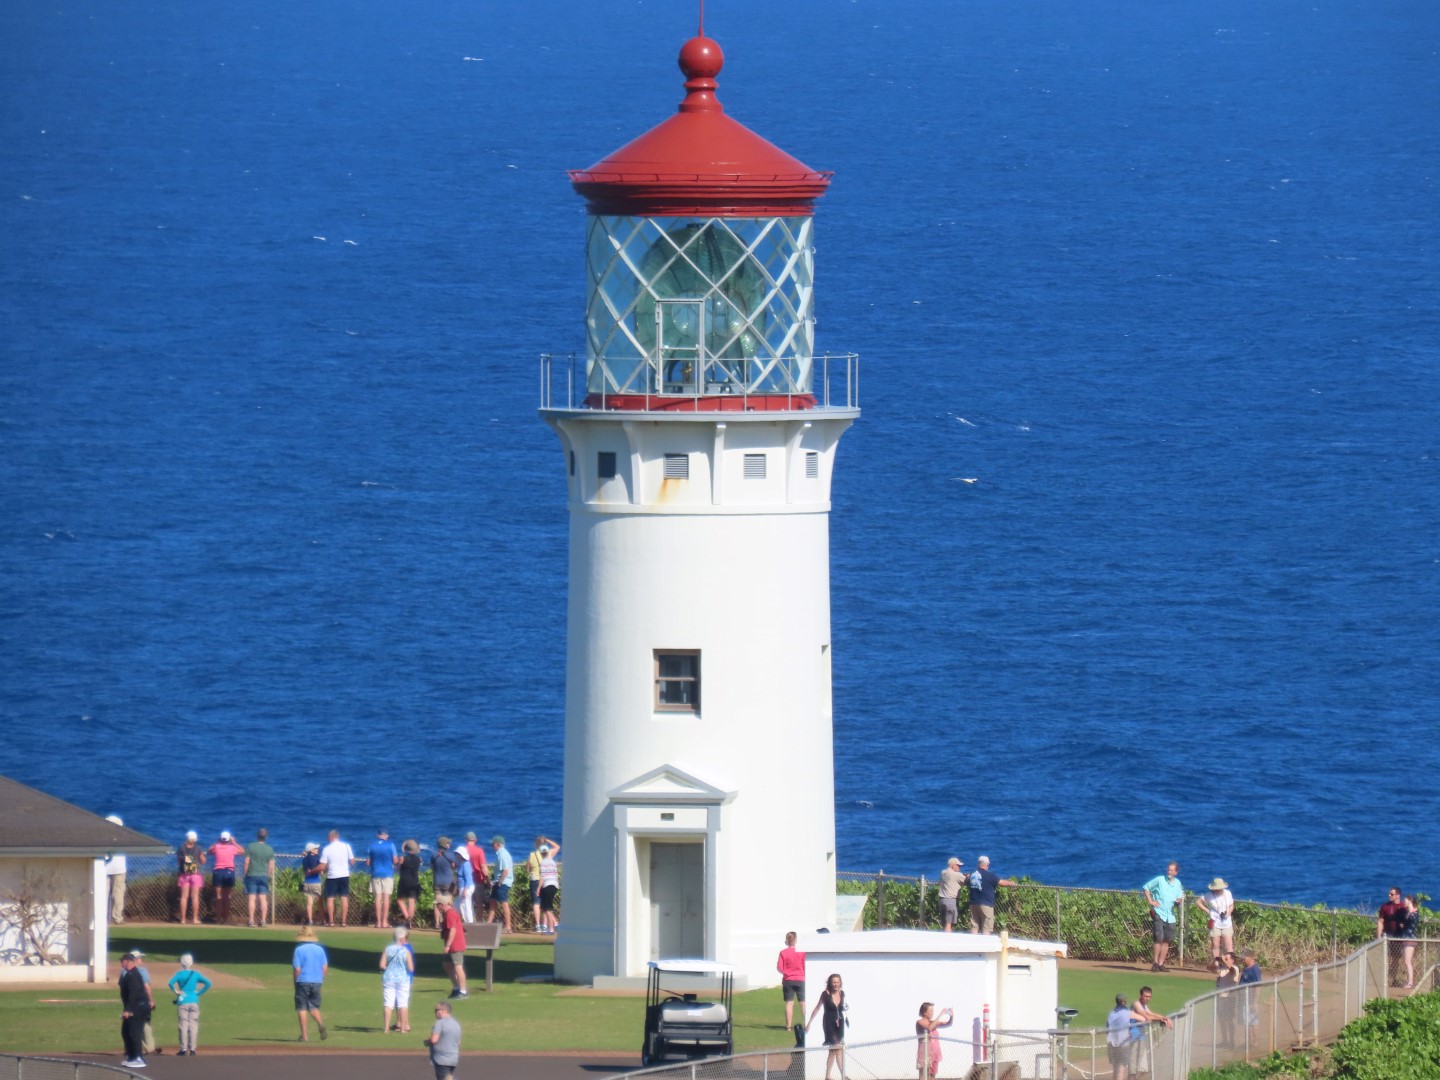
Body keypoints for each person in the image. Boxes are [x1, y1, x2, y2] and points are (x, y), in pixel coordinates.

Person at [166, 952, 212, 1056]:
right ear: (191, 962)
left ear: (182, 963)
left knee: (183, 1025)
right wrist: (199, 993)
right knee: (193, 1025)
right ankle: (192, 1049)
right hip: (194, 1000)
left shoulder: (179, 974)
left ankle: (183, 1049)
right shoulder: (196, 974)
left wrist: (176, 991)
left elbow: (170, 983)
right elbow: (208, 983)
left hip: (183, 1001)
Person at [1142, 862, 1184, 972]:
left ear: (1176, 872)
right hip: (1159, 912)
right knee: (1158, 938)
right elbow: (1146, 888)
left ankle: (1161, 964)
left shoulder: (1178, 883)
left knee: (1166, 940)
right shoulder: (1160, 880)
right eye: (1168, 870)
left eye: (1171, 870)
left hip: (1170, 916)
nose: (1169, 872)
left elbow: (1179, 897)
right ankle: (1155, 963)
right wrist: (1151, 901)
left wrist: (1178, 901)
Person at [805, 972, 847, 1080]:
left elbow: (844, 1008)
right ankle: (843, 1074)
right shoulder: (825, 994)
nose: (835, 984)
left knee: (834, 1051)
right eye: (833, 982)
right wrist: (809, 1023)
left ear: (840, 983)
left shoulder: (842, 994)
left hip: (840, 1024)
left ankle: (827, 1076)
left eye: (837, 982)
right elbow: (817, 1008)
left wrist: (847, 1017)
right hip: (829, 1024)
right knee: (836, 1047)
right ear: (830, 983)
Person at [292, 927, 329, 1041]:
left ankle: (304, 1036)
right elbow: (325, 967)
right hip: (317, 981)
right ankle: (320, 1023)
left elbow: (297, 969)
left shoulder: (299, 950)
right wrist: (320, 978)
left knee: (302, 1008)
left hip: (303, 981)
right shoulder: (320, 950)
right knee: (313, 1007)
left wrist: (295, 981)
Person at [118, 951, 152, 1068]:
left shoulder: (133, 975)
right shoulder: (130, 974)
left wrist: (128, 1009)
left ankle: (138, 1057)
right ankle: (132, 1056)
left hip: (137, 1007)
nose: (121, 965)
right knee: (126, 1031)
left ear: (128, 962)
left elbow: (133, 994)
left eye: (122, 962)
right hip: (134, 1006)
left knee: (134, 1032)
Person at [967, 856, 1017, 935]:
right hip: (986, 904)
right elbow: (1001, 882)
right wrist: (1011, 883)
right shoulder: (989, 875)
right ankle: (986, 944)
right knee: (987, 927)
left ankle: (974, 944)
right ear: (987, 865)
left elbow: (966, 881)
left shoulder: (972, 875)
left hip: (973, 903)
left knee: (974, 926)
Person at [380, 925, 416, 1033]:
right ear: (402, 938)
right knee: (403, 1003)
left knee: (388, 1003)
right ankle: (404, 1027)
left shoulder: (388, 949)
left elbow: (382, 965)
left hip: (389, 978)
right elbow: (411, 968)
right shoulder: (406, 950)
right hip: (402, 979)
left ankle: (386, 1028)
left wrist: (389, 969)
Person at [1194, 877, 1235, 970]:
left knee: (1229, 945)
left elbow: (1232, 905)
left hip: (1226, 922)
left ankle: (1229, 965)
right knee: (1215, 945)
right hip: (1215, 922)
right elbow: (1198, 902)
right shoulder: (1209, 895)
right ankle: (1217, 965)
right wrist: (1208, 911)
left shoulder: (1228, 893)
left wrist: (1228, 913)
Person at [207, 829, 244, 923]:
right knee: (227, 897)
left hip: (218, 871)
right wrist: (234, 842)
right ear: (228, 839)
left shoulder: (217, 847)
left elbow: (209, 851)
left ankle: (218, 918)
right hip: (229, 872)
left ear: (221, 838)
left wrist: (217, 842)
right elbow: (242, 851)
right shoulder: (232, 848)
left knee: (218, 896)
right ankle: (225, 918)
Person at [320, 829, 356, 927]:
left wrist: (325, 869)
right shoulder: (346, 846)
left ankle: (331, 921)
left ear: (331, 837)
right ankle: (343, 921)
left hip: (332, 876)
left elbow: (323, 865)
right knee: (344, 897)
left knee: (330, 898)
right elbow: (352, 861)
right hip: (344, 874)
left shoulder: (327, 849)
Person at [437, 892, 469, 999]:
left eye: (438, 904)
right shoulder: (447, 914)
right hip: (450, 944)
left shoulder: (450, 913)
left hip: (455, 945)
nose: (437, 907)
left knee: (458, 967)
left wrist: (447, 945)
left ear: (442, 904)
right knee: (447, 965)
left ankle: (463, 991)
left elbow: (453, 931)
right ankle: (456, 987)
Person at [244, 827, 276, 928]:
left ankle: (251, 921)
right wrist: (269, 874)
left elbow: (246, 862)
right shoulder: (269, 849)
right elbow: (271, 865)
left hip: (252, 874)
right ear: (266, 837)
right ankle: (263, 920)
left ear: (257, 836)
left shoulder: (250, 847)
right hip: (263, 875)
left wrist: (245, 874)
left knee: (252, 898)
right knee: (263, 899)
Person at [777, 931, 806, 1041]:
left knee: (789, 1003)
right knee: (803, 1003)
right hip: (800, 979)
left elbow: (779, 967)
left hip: (788, 979)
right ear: (796, 940)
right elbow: (805, 965)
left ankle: (788, 1026)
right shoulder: (802, 952)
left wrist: (786, 972)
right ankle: (807, 1023)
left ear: (787, 941)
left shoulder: (783, 953)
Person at [1377, 886, 1409, 987]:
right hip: (1387, 935)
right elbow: (1381, 921)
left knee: (1397, 959)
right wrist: (1379, 936)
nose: (1389, 895)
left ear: (1398, 895)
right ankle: (1383, 979)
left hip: (1399, 936)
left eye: (1392, 894)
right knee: (1385, 958)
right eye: (1389, 894)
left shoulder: (1404, 907)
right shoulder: (1385, 907)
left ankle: (1395, 979)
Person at [368, 828, 400, 929]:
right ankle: (384, 921)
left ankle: (378, 922)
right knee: (386, 897)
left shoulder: (372, 845)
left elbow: (368, 862)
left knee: (378, 897)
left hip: (375, 873)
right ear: (386, 835)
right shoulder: (391, 845)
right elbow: (395, 860)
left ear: (378, 835)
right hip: (388, 873)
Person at [915, 1001, 953, 1078]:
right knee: (923, 1076)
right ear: (924, 1012)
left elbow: (949, 1024)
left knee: (932, 1076)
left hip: (935, 1054)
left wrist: (951, 1015)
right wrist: (941, 1014)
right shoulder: (920, 1022)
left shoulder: (933, 1022)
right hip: (925, 1054)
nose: (933, 1013)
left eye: (933, 1011)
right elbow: (929, 1028)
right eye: (931, 1011)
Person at [427, 999, 462, 1080]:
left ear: (443, 1011)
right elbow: (458, 1042)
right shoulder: (456, 1024)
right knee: (448, 1078)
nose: (435, 1013)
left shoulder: (440, 1023)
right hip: (453, 1059)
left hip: (441, 1060)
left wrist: (427, 1041)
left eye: (436, 1010)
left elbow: (434, 1040)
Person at [176, 830, 206, 925]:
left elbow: (179, 861)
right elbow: (203, 861)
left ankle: (183, 919)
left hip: (184, 874)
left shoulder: (181, 847)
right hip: (195, 874)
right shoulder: (198, 848)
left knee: (184, 897)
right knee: (195, 897)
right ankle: (195, 918)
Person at [432, 837, 461, 927]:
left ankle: (437, 923)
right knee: (448, 903)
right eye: (448, 843)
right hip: (448, 882)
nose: (449, 844)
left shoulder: (434, 855)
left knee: (437, 903)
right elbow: (456, 865)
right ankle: (447, 923)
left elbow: (432, 867)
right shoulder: (450, 855)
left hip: (437, 881)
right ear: (444, 845)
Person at [103, 815, 127, 925]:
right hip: (119, 867)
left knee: (103, 893)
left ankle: (103, 916)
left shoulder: (103, 836)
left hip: (104, 867)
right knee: (118, 893)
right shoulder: (123, 836)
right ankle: (117, 917)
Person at [488, 835, 514, 932]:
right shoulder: (501, 854)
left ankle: (508, 926)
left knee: (504, 903)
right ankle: (488, 924)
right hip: (498, 883)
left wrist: (500, 882)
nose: (492, 846)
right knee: (492, 901)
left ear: (498, 844)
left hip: (502, 883)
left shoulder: (503, 854)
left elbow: (506, 870)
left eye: (493, 844)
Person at [1214, 951, 1240, 1046]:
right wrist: (1215, 960)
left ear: (1232, 960)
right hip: (1220, 996)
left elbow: (1232, 970)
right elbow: (1209, 968)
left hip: (1229, 998)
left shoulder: (1235, 968)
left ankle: (1231, 1041)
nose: (1224, 960)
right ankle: (1225, 1040)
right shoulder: (1222, 968)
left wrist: (1223, 960)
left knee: (1229, 1019)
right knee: (1221, 1019)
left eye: (1227, 958)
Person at [1106, 994, 1134, 1080]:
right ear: (1124, 1002)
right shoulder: (1127, 1013)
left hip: (1112, 1044)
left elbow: (1107, 1028)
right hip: (1123, 1045)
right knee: (1121, 1071)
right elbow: (1143, 1019)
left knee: (1115, 1070)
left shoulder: (1112, 1013)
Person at [537, 840, 561, 933]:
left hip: (547, 885)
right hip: (554, 885)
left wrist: (538, 888)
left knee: (547, 909)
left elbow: (543, 876)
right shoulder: (551, 859)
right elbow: (557, 847)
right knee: (548, 908)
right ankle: (552, 927)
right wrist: (547, 840)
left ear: (541, 853)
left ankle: (551, 929)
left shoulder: (543, 862)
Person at [464, 832, 491, 913]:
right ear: (475, 840)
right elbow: (483, 866)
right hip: (478, 878)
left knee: (467, 902)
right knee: (479, 903)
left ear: (466, 840)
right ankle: (479, 922)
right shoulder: (479, 851)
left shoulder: (463, 850)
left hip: (466, 879)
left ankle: (468, 922)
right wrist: (488, 879)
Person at [397, 839, 423, 925]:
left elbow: (398, 869)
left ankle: (407, 918)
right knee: (411, 901)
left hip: (404, 881)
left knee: (400, 900)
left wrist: (399, 864)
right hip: (414, 881)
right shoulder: (419, 859)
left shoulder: (402, 858)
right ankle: (410, 921)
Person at [300, 842, 324, 925]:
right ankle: (322, 920)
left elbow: (305, 871)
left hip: (307, 882)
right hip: (316, 882)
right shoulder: (317, 858)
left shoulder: (305, 859)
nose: (317, 850)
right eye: (315, 848)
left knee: (309, 903)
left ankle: (310, 920)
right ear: (311, 850)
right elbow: (321, 870)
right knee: (319, 903)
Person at [938, 857, 964, 933]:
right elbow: (966, 880)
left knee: (945, 923)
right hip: (951, 901)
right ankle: (947, 941)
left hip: (942, 900)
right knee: (949, 923)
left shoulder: (943, 873)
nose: (959, 867)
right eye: (958, 865)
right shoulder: (957, 875)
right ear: (952, 865)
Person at [1239, 950, 1262, 1027]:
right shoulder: (1246, 968)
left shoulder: (1254, 969)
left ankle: (1254, 1039)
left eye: (1244, 958)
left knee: (1253, 1023)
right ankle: (1248, 1039)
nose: (1242, 960)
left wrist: (1255, 1002)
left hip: (1250, 1000)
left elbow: (1258, 986)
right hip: (1244, 1000)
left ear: (1250, 957)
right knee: (1247, 1023)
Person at [1401, 895, 1420, 989]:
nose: (1404, 902)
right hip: (1405, 937)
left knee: (1407, 961)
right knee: (1406, 961)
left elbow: (1413, 923)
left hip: (1411, 938)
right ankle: (1409, 980)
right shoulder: (1407, 913)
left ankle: (1410, 982)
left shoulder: (1414, 913)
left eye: (1405, 901)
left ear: (1409, 901)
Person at [455, 846, 476, 924]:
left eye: (457, 854)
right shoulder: (461, 864)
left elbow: (468, 878)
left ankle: (470, 924)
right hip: (463, 887)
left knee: (466, 906)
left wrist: (465, 890)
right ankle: (456, 923)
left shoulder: (466, 864)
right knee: (457, 906)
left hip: (465, 887)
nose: (456, 856)